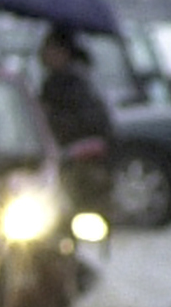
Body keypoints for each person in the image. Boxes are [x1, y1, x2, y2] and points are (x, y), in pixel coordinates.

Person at [38, 25, 117, 212]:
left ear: (62, 52)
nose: (44, 55)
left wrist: (50, 116)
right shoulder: (59, 81)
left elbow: (90, 123)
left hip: (79, 167)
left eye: (50, 49)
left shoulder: (73, 83)